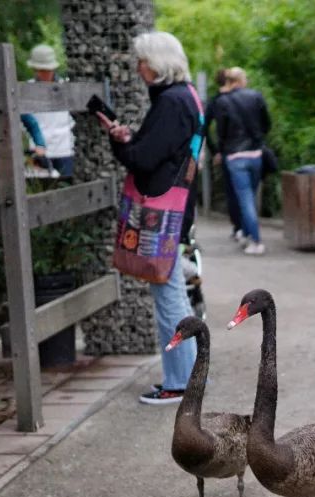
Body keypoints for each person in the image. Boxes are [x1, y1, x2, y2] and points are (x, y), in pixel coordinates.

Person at [96, 31, 201, 405]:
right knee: (173, 292)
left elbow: (142, 159)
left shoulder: (171, 102)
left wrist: (119, 141)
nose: (139, 68)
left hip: (163, 213)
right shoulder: (187, 97)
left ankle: (181, 382)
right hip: (177, 205)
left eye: (142, 61)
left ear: (157, 64)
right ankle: (187, 377)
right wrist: (129, 139)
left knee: (168, 294)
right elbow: (156, 148)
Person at [207, 66, 271, 256]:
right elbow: (267, 123)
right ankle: (247, 234)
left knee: (245, 200)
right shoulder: (256, 97)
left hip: (235, 156)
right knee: (250, 196)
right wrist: (258, 140)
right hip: (255, 154)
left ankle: (255, 240)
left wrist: (220, 150)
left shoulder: (223, 101)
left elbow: (221, 131)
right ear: (242, 80)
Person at [26, 43, 76, 177]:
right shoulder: (26, 89)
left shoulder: (66, 87)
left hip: (65, 151)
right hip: (38, 151)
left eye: (46, 70)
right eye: (40, 70)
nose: (43, 73)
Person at [205, 67, 243, 241]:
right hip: (245, 149)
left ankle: (238, 227)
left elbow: (205, 128)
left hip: (227, 151)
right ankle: (244, 227)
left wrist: (215, 151)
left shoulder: (215, 101)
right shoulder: (241, 98)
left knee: (233, 191)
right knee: (243, 191)